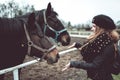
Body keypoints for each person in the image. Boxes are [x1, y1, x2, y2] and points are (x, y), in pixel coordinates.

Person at [62, 14, 120, 80]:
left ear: (102, 29)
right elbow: (92, 53)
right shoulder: (101, 42)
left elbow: (95, 65)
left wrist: (73, 64)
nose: (91, 29)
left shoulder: (108, 46)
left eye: (94, 26)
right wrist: (77, 45)